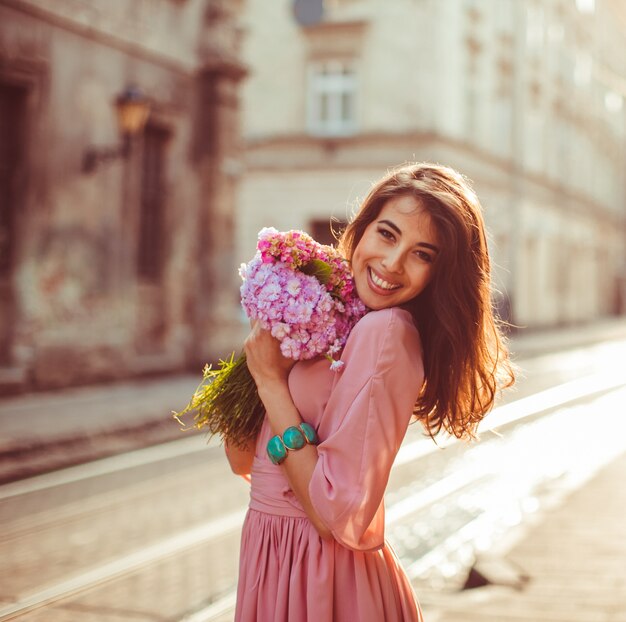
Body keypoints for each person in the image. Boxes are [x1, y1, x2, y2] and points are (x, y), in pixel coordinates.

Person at [225, 162, 515, 621]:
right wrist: (269, 334)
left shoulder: (387, 331)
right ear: (361, 231)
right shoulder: (335, 320)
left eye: (423, 254)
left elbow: (336, 516)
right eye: (386, 234)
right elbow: (243, 460)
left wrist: (269, 382)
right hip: (275, 557)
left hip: (322, 579)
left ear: (440, 274)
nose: (393, 263)